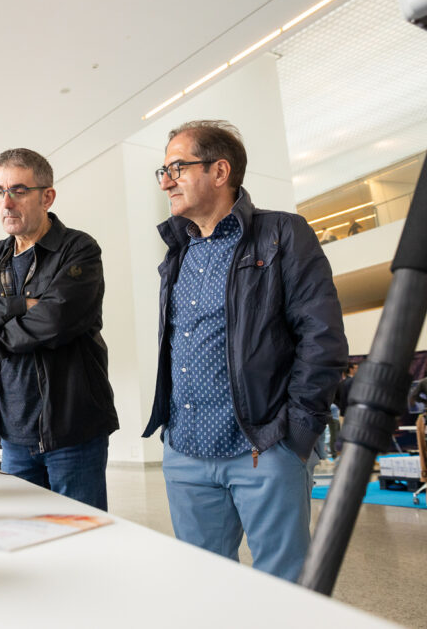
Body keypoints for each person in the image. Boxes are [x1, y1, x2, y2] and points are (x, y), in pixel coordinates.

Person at [142, 120, 347, 582]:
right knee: (205, 585)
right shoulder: (178, 252)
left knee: (284, 586)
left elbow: (322, 338)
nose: (166, 181)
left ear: (220, 171)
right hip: (185, 450)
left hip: (262, 447)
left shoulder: (282, 233)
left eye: (177, 168)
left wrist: (295, 434)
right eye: (163, 171)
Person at [0, 148, 118, 510]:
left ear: (47, 197)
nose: (6, 203)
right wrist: (19, 305)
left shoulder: (79, 250)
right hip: (14, 434)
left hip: (72, 429)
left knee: (80, 531)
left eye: (19, 191)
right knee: (22, 531)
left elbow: (53, 321)